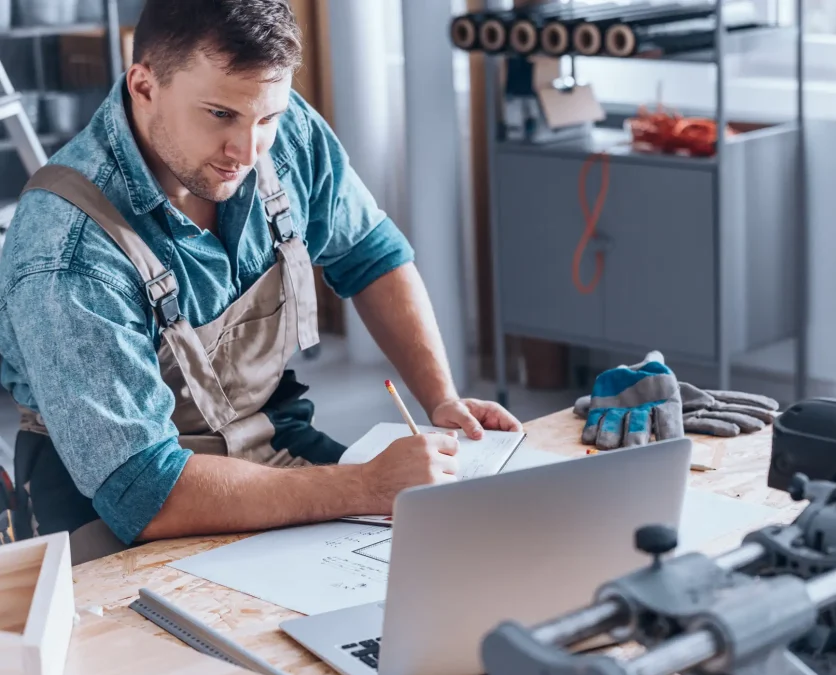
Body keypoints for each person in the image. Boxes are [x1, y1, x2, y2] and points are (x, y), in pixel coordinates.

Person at [0, 0, 521, 562]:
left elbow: (371, 255)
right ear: (144, 85)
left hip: (264, 437)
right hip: (112, 494)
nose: (247, 152)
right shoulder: (66, 247)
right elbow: (143, 491)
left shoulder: (279, 127)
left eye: (266, 119)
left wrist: (440, 398)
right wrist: (366, 487)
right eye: (220, 115)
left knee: (426, 564)